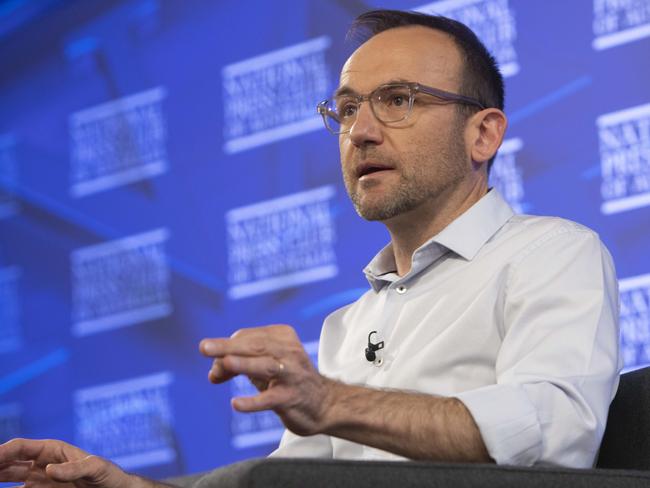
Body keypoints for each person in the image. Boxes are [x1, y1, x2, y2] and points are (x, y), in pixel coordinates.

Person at [0, 9, 620, 487]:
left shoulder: (552, 253)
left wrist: (329, 401)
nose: (362, 132)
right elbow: (287, 482)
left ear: (482, 133)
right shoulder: (347, 325)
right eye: (347, 110)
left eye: (398, 101)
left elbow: (554, 435)